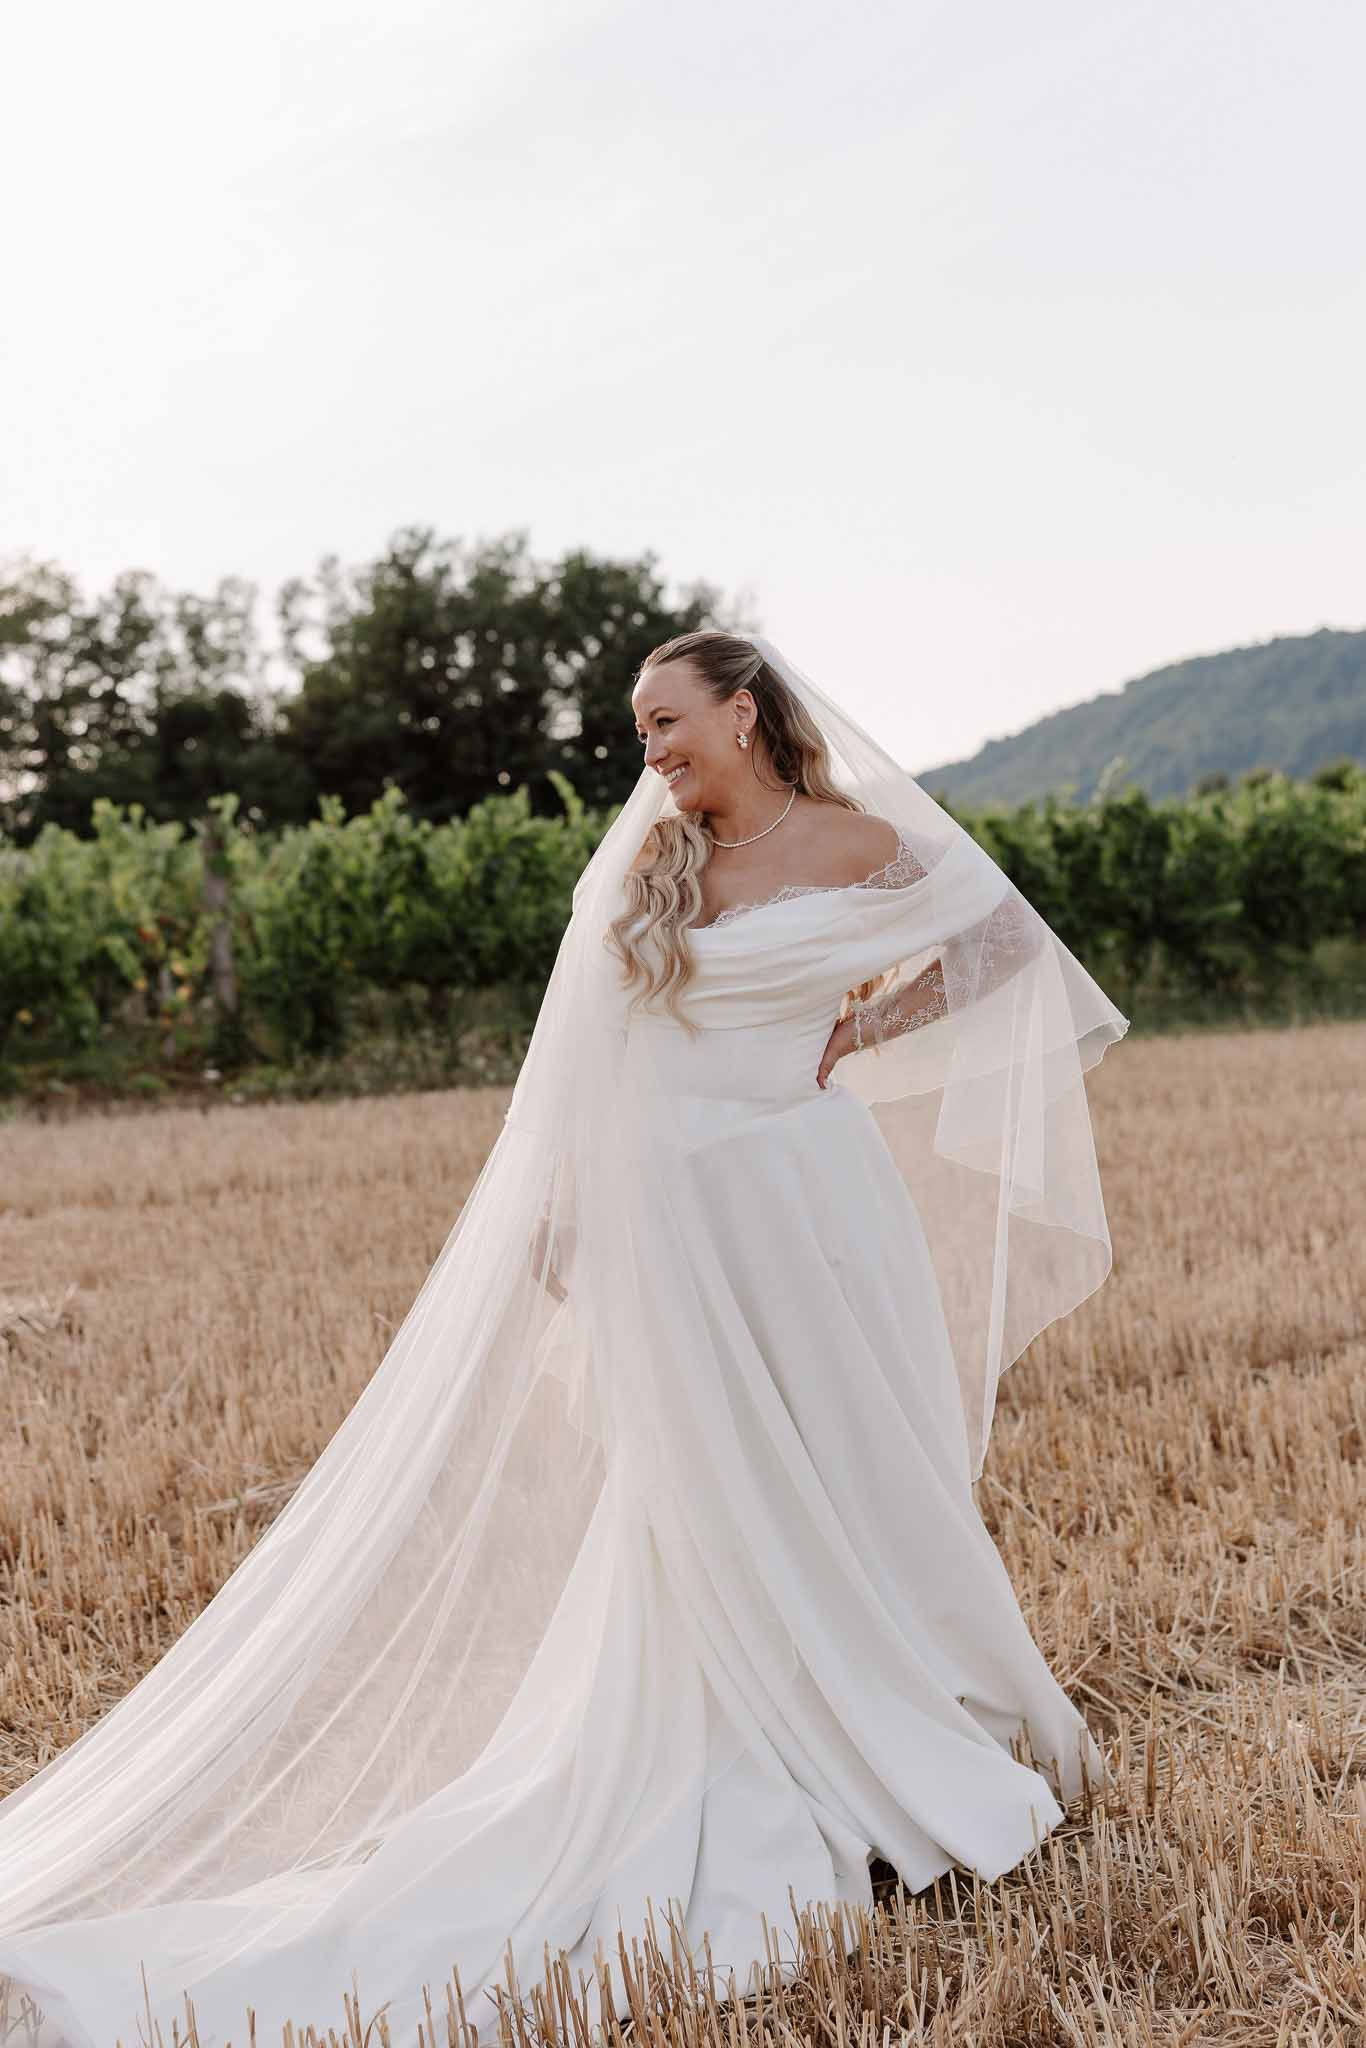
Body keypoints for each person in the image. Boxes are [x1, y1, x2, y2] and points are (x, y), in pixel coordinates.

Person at [0, 631, 1128, 2047]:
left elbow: (1010, 941)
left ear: (746, 709)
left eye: (667, 721)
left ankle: (898, 1712)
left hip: (814, 1199)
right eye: (637, 731)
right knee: (706, 1488)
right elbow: (587, 1069)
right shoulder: (648, 864)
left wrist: (866, 1031)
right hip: (672, 1215)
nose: (649, 751)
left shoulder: (857, 842)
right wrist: (566, 1214)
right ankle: (768, 1731)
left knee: (861, 1456)